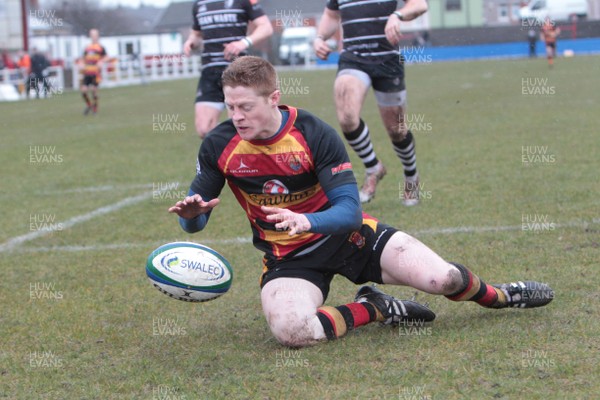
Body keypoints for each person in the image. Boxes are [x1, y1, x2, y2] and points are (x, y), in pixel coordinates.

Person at [168, 56, 554, 348]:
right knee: (292, 332)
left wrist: (308, 221)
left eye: (245, 107)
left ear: (273, 98)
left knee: (443, 279)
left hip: (350, 237)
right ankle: (376, 307)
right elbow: (197, 218)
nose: (236, 116)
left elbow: (349, 212)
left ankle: (503, 296)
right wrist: (192, 218)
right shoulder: (219, 145)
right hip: (289, 259)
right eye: (230, 106)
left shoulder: (314, 133)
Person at [313, 0, 428, 204]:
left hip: (387, 60)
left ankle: (411, 176)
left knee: (397, 130)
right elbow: (331, 15)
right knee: (347, 118)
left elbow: (420, 5)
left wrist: (397, 15)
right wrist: (320, 37)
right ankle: (373, 167)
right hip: (353, 58)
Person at [183, 0, 273, 139]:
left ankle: (247, 156)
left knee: (240, 125)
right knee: (204, 128)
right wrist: (191, 42)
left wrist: (243, 43)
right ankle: (226, 152)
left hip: (237, 71)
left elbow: (266, 27)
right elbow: (196, 34)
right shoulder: (199, 4)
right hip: (210, 72)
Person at [78, 29, 108, 115]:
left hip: (96, 73)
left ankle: (95, 108)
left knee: (94, 91)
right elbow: (82, 59)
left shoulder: (101, 47)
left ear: (98, 36)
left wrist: (101, 61)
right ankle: (89, 105)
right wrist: (81, 64)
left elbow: (106, 57)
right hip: (87, 72)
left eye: (95, 35)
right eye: (92, 35)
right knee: (83, 91)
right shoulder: (87, 47)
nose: (93, 36)